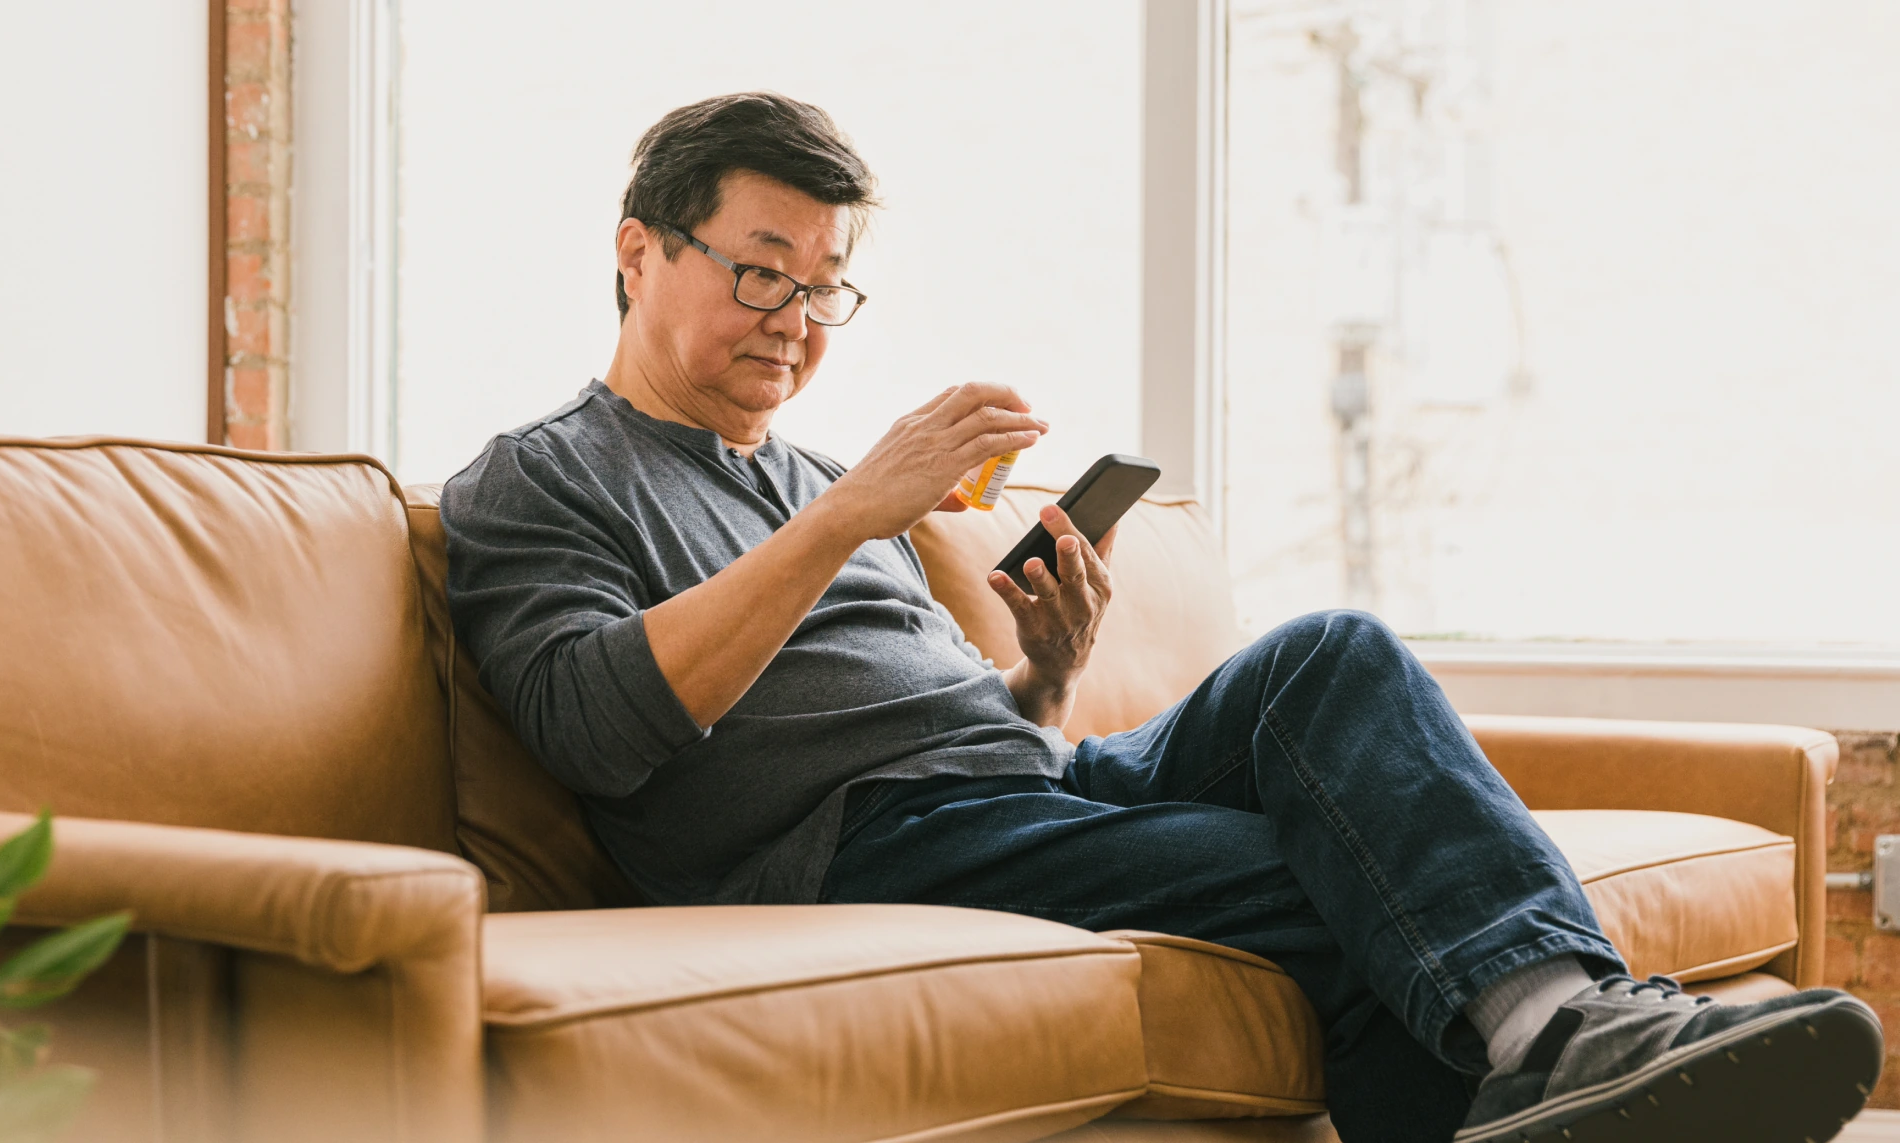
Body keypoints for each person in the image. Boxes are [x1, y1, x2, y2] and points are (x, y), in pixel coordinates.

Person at [440, 92, 1881, 1143]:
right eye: (762, 272)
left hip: (1020, 787)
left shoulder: (817, 479)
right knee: (1339, 871)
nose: (797, 321)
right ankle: (1562, 1041)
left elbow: (983, 740)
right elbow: (594, 729)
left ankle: (1566, 1041)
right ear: (639, 251)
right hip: (851, 847)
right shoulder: (542, 478)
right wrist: (846, 519)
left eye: (825, 289)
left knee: (1333, 655)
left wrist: (1048, 671)